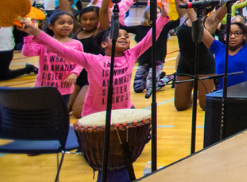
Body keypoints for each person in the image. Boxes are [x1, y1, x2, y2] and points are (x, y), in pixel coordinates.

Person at [20, 9, 168, 118]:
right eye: (116, 36)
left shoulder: (131, 55)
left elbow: (150, 38)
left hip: (125, 109)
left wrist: (163, 17)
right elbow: (60, 49)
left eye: (126, 36)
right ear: (104, 45)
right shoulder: (92, 60)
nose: (123, 38)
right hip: (96, 112)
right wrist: (34, 31)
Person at [21, 6, 81, 103]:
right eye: (61, 23)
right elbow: (27, 53)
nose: (66, 25)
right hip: (44, 86)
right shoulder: (43, 42)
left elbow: (80, 62)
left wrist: (74, 73)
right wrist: (29, 36)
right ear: (51, 26)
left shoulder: (77, 44)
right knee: (43, 111)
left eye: (70, 23)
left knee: (60, 111)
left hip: (65, 86)